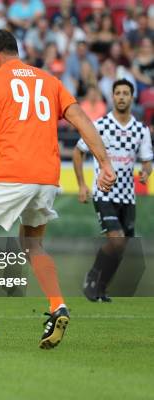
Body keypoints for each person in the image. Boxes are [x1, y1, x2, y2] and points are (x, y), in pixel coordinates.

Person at [0, 30, 116, 349]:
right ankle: (57, 305)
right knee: (33, 244)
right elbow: (80, 117)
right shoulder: (49, 80)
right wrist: (105, 163)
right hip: (47, 177)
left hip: (12, 173)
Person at [73, 79, 152, 302]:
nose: (121, 96)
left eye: (126, 93)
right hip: (104, 193)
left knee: (122, 247)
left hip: (128, 196)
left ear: (132, 97)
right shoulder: (99, 126)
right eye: (118, 93)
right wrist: (81, 185)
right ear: (112, 96)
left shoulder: (140, 130)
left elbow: (147, 161)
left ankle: (101, 288)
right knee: (116, 241)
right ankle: (92, 278)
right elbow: (79, 152)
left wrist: (146, 173)